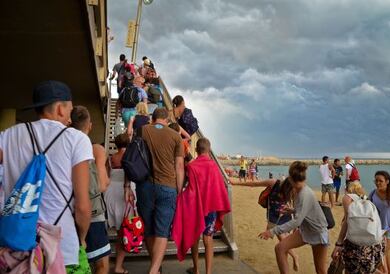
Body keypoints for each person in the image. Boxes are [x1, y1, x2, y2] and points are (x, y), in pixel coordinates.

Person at [0, 81, 93, 270]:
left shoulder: (7, 136)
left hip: (17, 248)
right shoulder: (77, 139)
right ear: (60, 108)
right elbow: (83, 207)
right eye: (69, 108)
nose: (70, 115)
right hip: (62, 247)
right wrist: (81, 238)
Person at [124, 108, 184, 274]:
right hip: (168, 187)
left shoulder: (142, 130)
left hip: (145, 187)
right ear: (166, 119)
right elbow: (179, 166)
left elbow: (130, 158)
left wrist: (127, 186)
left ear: (153, 118)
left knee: (149, 229)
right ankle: (154, 270)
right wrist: (179, 191)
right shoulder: (175, 136)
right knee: (162, 231)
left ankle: (155, 268)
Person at [171, 138, 231, 274]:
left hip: (195, 208)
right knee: (208, 238)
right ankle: (208, 272)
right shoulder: (214, 166)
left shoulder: (191, 167)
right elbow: (219, 189)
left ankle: (196, 269)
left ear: (197, 150)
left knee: (194, 237)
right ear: (209, 150)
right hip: (211, 207)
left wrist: (180, 198)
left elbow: (190, 190)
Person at [259, 161, 329, 274]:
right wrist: (293, 210)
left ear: (291, 179)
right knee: (280, 248)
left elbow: (296, 222)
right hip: (305, 230)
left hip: (317, 232)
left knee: (320, 270)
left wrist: (272, 231)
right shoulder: (299, 190)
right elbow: (304, 210)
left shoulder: (304, 194)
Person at [71, 106, 111, 274]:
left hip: (64, 213)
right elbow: (101, 185)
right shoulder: (92, 148)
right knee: (101, 263)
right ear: (90, 125)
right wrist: (101, 161)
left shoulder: (64, 144)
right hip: (91, 213)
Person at [231, 177, 299, 271]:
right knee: (283, 241)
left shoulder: (293, 189)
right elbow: (254, 183)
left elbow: (296, 205)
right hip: (273, 218)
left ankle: (291, 260)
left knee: (283, 242)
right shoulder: (273, 183)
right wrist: (235, 183)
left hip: (286, 216)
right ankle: (290, 262)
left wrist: (297, 222)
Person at [331, 181, 385, 274]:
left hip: (355, 244)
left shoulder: (347, 198)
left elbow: (347, 222)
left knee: (351, 268)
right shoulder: (366, 200)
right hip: (374, 244)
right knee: (368, 270)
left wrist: (339, 244)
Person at [103, 133, 131, 274]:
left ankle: (105, 262)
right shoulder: (131, 157)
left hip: (111, 191)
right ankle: (119, 265)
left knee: (115, 228)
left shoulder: (110, 158)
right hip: (125, 192)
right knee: (124, 229)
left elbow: (106, 177)